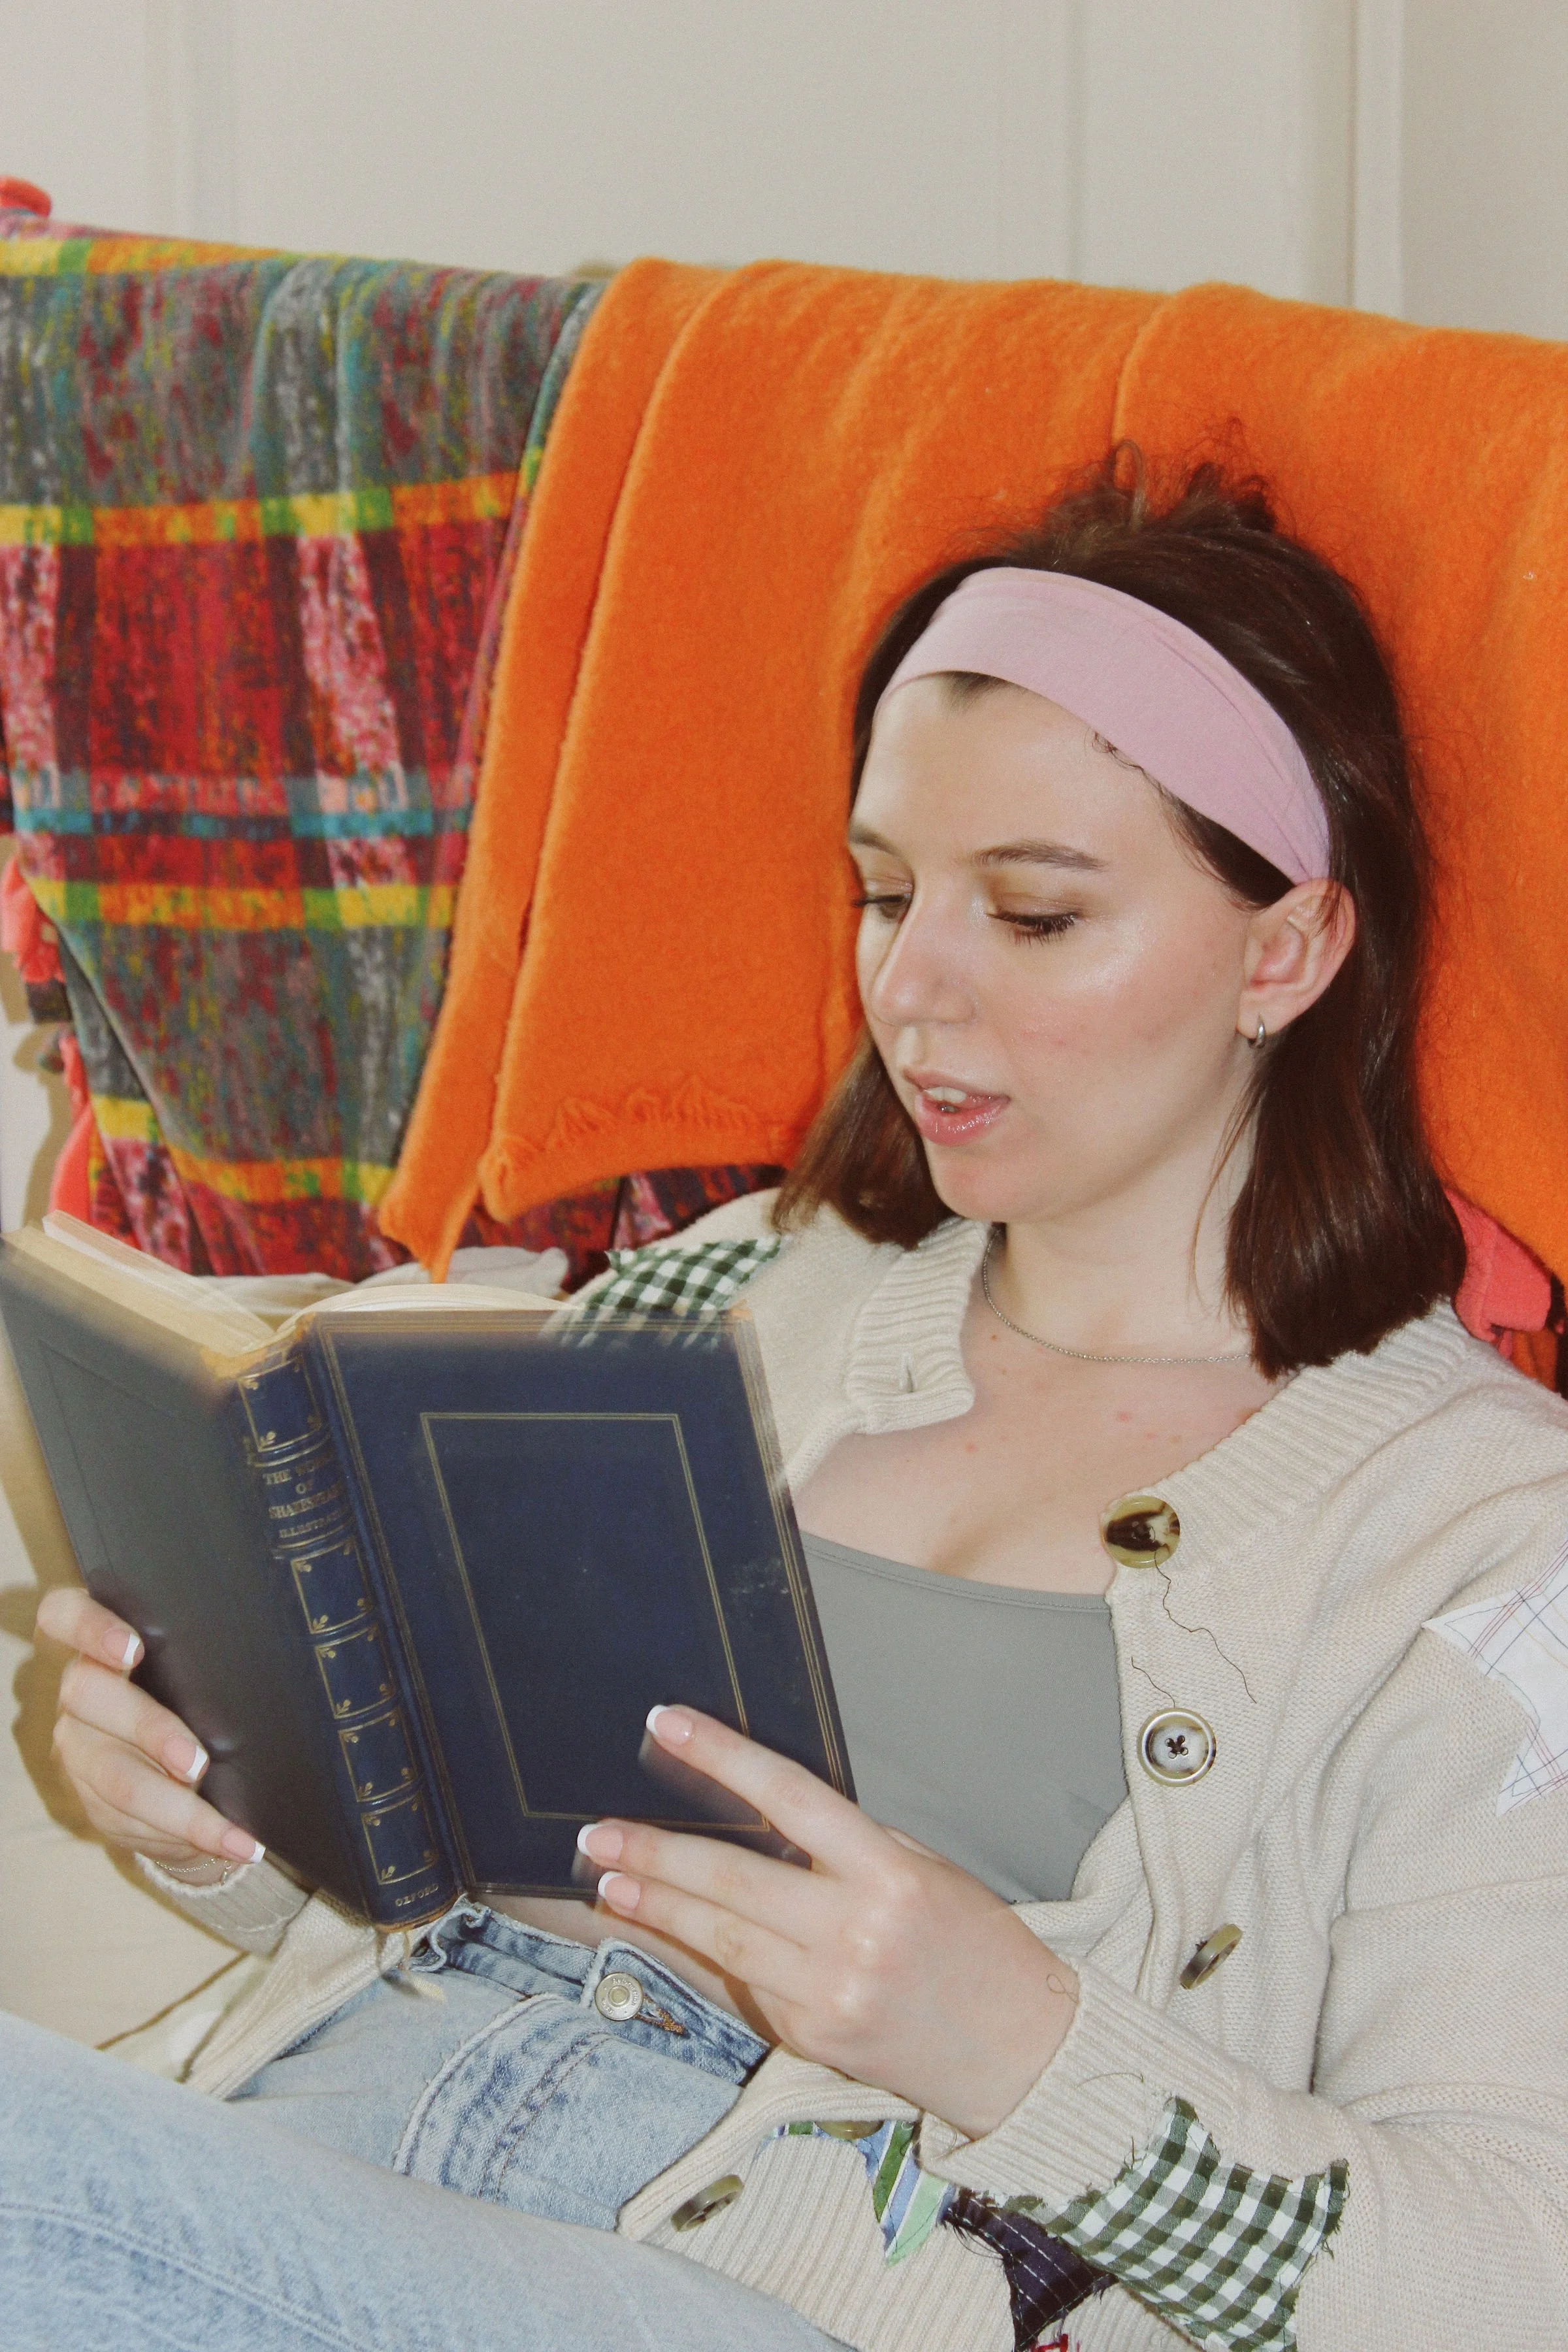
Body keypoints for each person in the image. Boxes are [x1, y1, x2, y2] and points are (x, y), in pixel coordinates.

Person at [12, 455, 1568, 2352]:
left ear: (1288, 951)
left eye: (1037, 914)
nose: (913, 990)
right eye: (888, 892)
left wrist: (1013, 2040)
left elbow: (1507, 2277)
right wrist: (218, 1808)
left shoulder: (1483, 1540)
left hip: (781, 2282)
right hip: (362, 2149)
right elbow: (445, 1861)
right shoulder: (739, 1283)